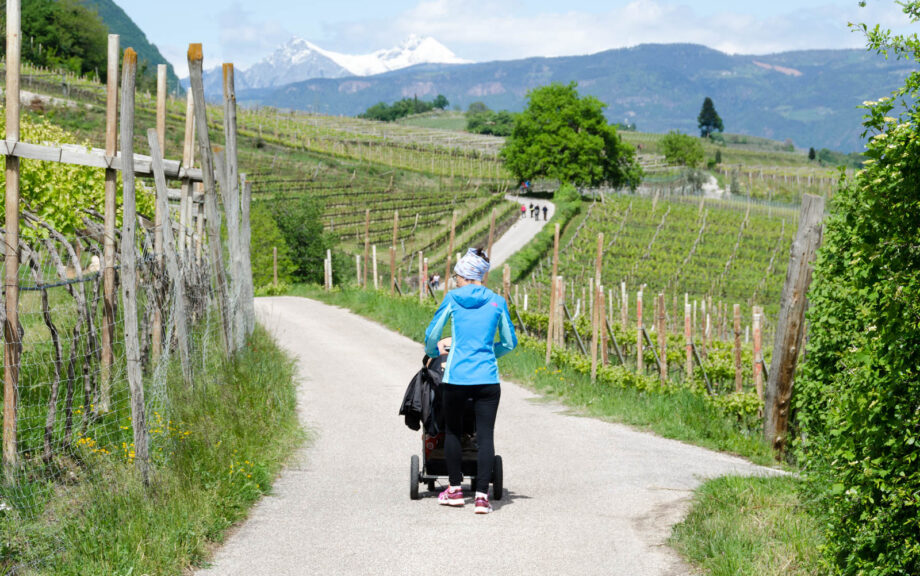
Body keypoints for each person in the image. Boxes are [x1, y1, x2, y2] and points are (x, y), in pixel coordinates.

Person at [424, 247, 517, 514]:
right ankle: (481, 498)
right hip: (487, 378)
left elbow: (432, 335)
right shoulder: (498, 301)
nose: (454, 280)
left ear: (465, 275)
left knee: (452, 431)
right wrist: (490, 353)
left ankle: (454, 491)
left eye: (456, 275)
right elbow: (510, 343)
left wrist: (434, 352)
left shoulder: (452, 299)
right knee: (485, 435)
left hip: (456, 378)